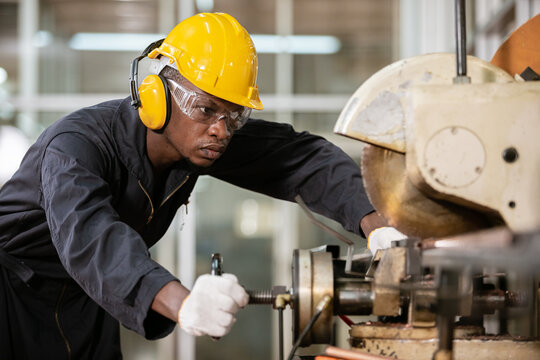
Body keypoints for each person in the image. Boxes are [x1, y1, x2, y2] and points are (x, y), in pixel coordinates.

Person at [0, 12, 403, 359]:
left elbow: (302, 158)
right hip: (10, 296)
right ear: (156, 95)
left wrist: (377, 223)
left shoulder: (203, 136)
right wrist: (184, 302)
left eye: (235, 116)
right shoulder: (75, 147)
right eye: (206, 108)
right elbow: (93, 242)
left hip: (84, 301)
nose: (221, 130)